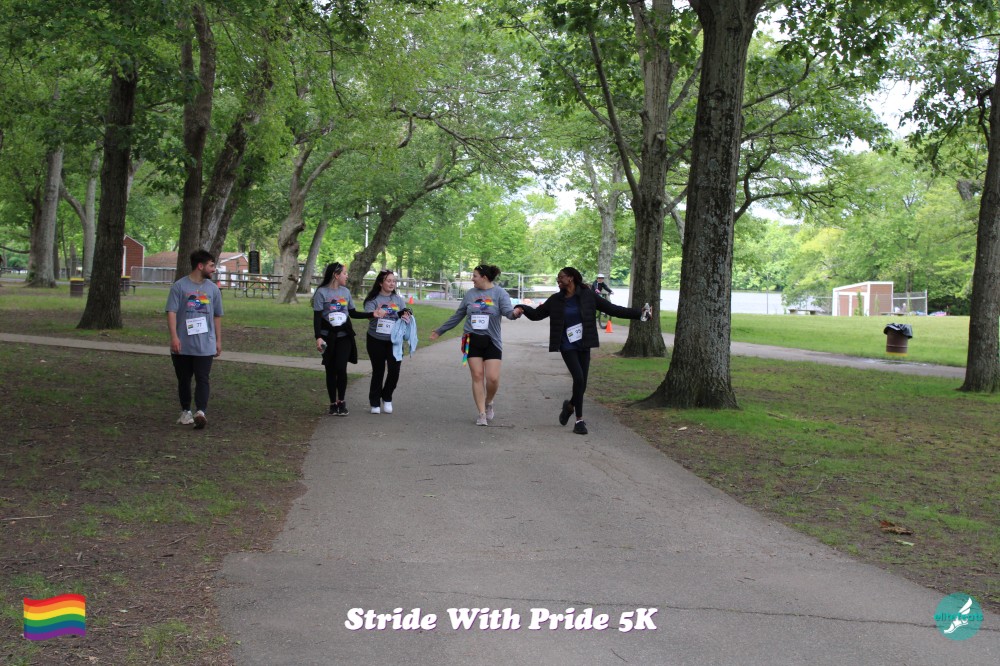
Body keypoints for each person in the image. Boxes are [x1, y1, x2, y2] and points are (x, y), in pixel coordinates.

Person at [514, 267, 650, 435]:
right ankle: (579, 420)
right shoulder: (556, 299)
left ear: (571, 278)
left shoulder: (588, 295)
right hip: (566, 344)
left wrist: (639, 314)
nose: (558, 280)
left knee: (582, 383)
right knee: (578, 378)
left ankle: (570, 406)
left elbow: (613, 309)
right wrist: (522, 308)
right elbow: (537, 314)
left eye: (561, 277)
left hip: (584, 343)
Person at [430, 264, 517, 426]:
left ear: (484, 277)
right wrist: (440, 331)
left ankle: (489, 401)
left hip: (492, 341)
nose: (472, 279)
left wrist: (515, 313)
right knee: (477, 376)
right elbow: (458, 315)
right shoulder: (470, 294)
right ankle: (482, 413)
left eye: (475, 276)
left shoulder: (499, 293)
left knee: (492, 378)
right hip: (472, 340)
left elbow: (508, 312)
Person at [314, 262, 386, 416]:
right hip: (328, 337)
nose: (347, 276)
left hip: (344, 336)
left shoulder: (345, 292)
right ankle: (333, 403)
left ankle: (341, 401)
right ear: (336, 275)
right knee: (330, 370)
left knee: (341, 368)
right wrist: (318, 337)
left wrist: (371, 314)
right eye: (344, 273)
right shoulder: (321, 292)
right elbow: (317, 317)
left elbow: (352, 313)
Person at [166, 249, 224, 430]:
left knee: (203, 378)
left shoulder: (213, 289)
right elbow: (171, 312)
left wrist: (218, 341)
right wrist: (174, 337)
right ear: (200, 266)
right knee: (184, 379)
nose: (214, 269)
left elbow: (217, 315)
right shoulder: (179, 287)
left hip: (205, 344)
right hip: (183, 344)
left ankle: (201, 412)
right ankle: (186, 411)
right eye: (211, 265)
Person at [363, 269, 412, 414]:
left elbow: (404, 314)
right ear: (380, 283)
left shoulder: (398, 300)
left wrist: (406, 315)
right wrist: (376, 314)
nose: (392, 284)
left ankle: (387, 396)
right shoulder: (372, 300)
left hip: (394, 341)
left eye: (394, 281)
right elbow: (369, 316)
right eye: (388, 281)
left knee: (394, 371)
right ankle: (374, 402)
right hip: (375, 339)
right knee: (378, 371)